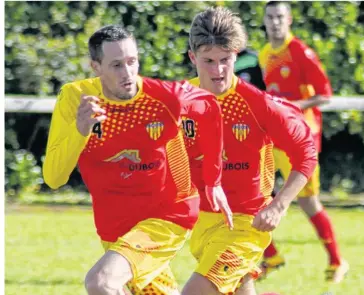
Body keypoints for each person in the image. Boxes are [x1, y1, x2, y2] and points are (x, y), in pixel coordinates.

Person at [42, 25, 231, 295]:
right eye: (117, 65)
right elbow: (54, 177)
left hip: (169, 214)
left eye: (132, 62)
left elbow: (209, 108)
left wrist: (213, 182)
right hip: (115, 227)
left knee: (101, 282)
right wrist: (79, 131)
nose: (128, 73)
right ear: (95, 66)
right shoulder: (76, 98)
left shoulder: (165, 96)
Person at [181, 6, 318, 295]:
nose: (218, 71)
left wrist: (278, 206)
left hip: (246, 225)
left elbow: (306, 152)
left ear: (237, 55)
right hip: (203, 223)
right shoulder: (180, 101)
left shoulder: (258, 104)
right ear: (193, 57)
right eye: (208, 61)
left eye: (225, 60)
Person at [258, 1, 348, 283]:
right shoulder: (265, 53)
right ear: (264, 20)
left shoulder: (300, 52)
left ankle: (337, 261)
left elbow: (325, 94)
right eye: (270, 17)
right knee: (251, 194)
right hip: (274, 136)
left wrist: (295, 104)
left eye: (280, 17)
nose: (275, 22)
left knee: (309, 203)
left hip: (300, 137)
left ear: (290, 19)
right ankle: (271, 256)